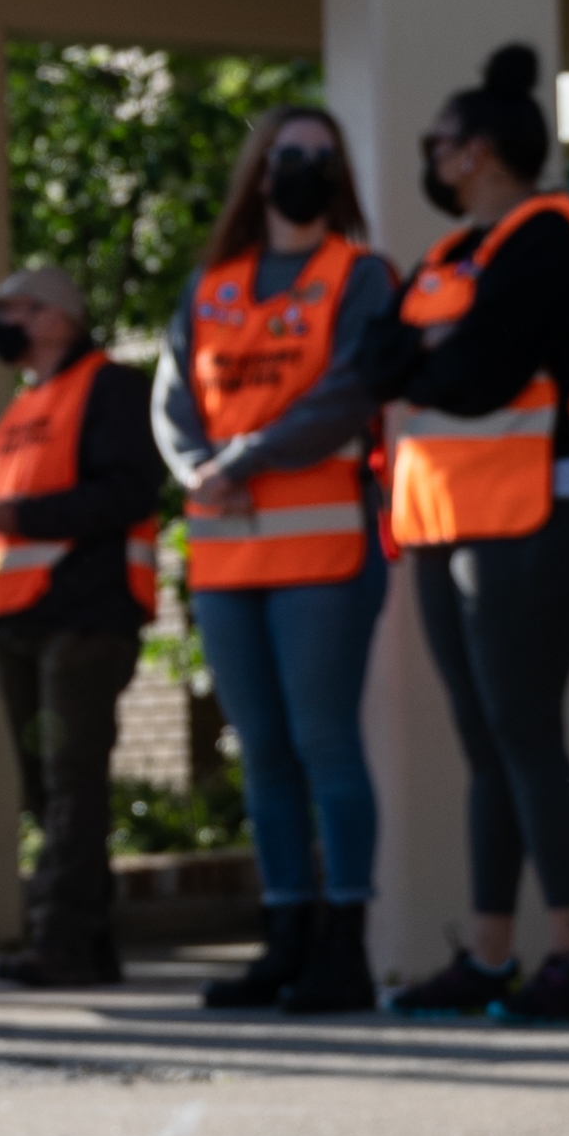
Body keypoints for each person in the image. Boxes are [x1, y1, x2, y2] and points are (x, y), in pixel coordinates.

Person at [381, 48, 569, 1026]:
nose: (430, 161)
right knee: (485, 743)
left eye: (436, 145)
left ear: (474, 153)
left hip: (536, 511)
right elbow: (379, 357)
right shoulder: (449, 259)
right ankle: (490, 956)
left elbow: (479, 370)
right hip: (445, 518)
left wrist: (427, 353)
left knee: (527, 735)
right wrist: (426, 351)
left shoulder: (552, 241)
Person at [162, 105, 409, 1015]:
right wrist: (197, 464)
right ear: (258, 175)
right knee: (261, 755)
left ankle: (342, 949)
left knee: (324, 744)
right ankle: (284, 941)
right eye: (286, 155)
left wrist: (244, 459)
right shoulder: (211, 284)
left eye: (320, 157)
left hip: (324, 551)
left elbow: (350, 390)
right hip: (227, 563)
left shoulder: (361, 274)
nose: (301, 168)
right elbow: (173, 395)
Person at [0, 261, 165, 989]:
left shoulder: (108, 387)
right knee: (44, 787)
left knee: (70, 780)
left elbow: (128, 489)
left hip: (84, 613)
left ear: (55, 317)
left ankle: (58, 940)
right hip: (15, 616)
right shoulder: (22, 406)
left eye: (13, 307)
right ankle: (90, 938)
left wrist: (22, 519)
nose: (1, 323)